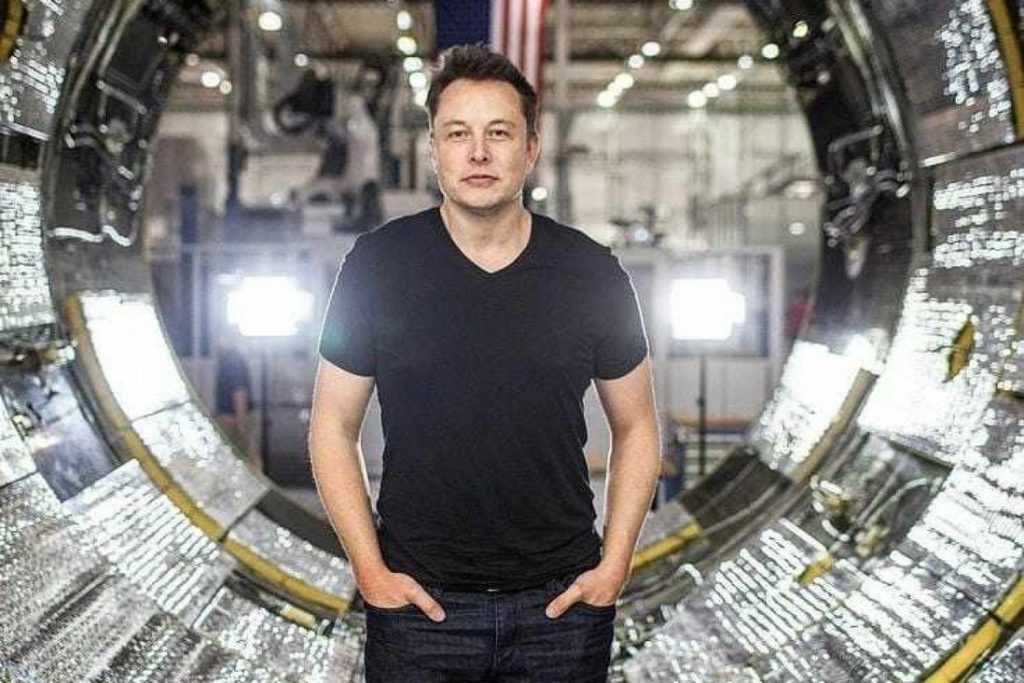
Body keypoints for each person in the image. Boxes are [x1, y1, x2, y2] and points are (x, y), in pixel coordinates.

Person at [309, 44, 661, 682]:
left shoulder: (591, 272)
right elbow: (332, 425)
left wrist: (614, 567)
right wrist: (370, 572)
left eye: (499, 133)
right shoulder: (378, 265)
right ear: (433, 149)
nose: (478, 152)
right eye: (458, 133)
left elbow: (636, 426)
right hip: (419, 608)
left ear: (530, 148)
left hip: (560, 608)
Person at [214, 342, 261, 471]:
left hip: (233, 419)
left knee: (246, 459)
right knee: (245, 458)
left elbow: (239, 392)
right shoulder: (231, 360)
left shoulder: (232, 361)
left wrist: (241, 423)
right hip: (235, 417)